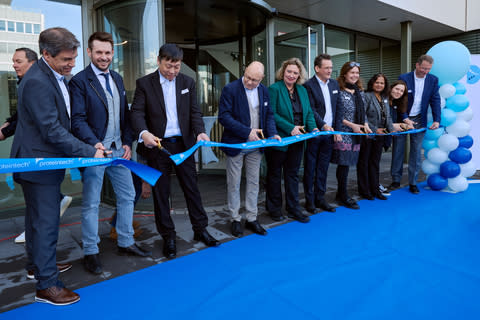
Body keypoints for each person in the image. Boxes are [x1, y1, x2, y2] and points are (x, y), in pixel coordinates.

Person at [10, 27, 105, 306]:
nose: (72, 64)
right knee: (46, 224)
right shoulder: (39, 81)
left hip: (41, 162)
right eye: (66, 59)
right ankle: (47, 285)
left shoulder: (48, 75)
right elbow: (52, 130)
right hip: (38, 165)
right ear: (46, 55)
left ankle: (38, 266)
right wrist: (89, 152)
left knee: (36, 221)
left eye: (74, 58)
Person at [70, 32, 152, 275]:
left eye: (108, 53)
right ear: (89, 52)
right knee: (92, 203)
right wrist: (94, 143)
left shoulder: (116, 78)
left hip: (118, 151)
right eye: (99, 53)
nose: (104, 57)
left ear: (112, 53)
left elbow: (124, 116)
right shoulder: (79, 81)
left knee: (128, 196)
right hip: (96, 152)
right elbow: (78, 119)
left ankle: (125, 242)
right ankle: (91, 251)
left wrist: (127, 142)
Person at [131, 43, 220, 259]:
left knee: (192, 188)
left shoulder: (187, 82)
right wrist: (144, 133)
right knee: (161, 193)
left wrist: (200, 132)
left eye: (176, 67)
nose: (172, 71)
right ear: (159, 61)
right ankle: (168, 236)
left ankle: (200, 229)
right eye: (168, 66)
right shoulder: (145, 83)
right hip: (158, 145)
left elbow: (194, 112)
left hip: (184, 145)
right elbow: (137, 113)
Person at [0, 48, 73, 245]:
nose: (14, 65)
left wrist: (5, 131)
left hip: (43, 159)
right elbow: (23, 115)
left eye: (18, 61)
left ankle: (40, 263)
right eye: (13, 61)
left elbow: (42, 120)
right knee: (37, 208)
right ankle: (38, 257)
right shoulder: (29, 82)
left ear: (32, 62)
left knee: (42, 217)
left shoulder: (36, 82)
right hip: (31, 160)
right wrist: (7, 125)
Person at [218, 61, 280, 237]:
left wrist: (272, 133)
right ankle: (235, 219)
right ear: (244, 72)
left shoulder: (264, 91)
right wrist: (246, 132)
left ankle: (252, 218)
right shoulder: (230, 89)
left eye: (254, 80)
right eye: (248, 77)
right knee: (234, 183)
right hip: (236, 143)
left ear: (262, 79)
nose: (250, 82)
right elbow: (224, 117)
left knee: (254, 182)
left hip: (256, 145)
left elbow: (268, 115)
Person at [265, 57, 318, 223]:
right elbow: (271, 113)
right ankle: (274, 208)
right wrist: (290, 128)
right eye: (289, 71)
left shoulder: (302, 90)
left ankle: (293, 208)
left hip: (298, 140)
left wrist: (314, 127)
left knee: (292, 174)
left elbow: (308, 112)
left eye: (295, 72)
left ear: (299, 74)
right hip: (279, 140)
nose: (292, 75)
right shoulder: (274, 89)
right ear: (283, 71)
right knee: (274, 175)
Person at [390, 55, 441, 194]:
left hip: (419, 119)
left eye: (428, 69)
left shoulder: (433, 80)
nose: (425, 71)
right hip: (402, 118)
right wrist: (405, 118)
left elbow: (435, 99)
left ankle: (413, 182)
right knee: (398, 149)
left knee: (416, 152)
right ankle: (395, 180)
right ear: (417, 65)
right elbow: (399, 100)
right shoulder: (404, 77)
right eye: (424, 68)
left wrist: (437, 119)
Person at [331, 61, 371, 210]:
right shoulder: (338, 90)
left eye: (357, 73)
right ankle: (343, 195)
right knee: (344, 164)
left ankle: (341, 193)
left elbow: (363, 113)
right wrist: (352, 125)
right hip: (343, 132)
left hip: (357, 133)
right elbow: (335, 114)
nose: (355, 75)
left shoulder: (359, 91)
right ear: (345, 73)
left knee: (349, 164)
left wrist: (365, 125)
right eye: (352, 72)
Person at [302, 54, 338, 213]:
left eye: (331, 67)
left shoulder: (334, 84)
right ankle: (309, 201)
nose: (330, 70)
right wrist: (323, 125)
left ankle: (320, 198)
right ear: (317, 68)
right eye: (327, 68)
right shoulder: (308, 85)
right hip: (315, 133)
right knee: (310, 168)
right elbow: (311, 109)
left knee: (323, 168)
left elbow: (338, 109)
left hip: (329, 135)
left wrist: (335, 129)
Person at [357, 73, 395, 201]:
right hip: (369, 134)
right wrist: (374, 129)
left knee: (374, 163)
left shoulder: (384, 97)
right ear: (372, 83)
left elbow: (388, 116)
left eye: (382, 83)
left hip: (381, 136)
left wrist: (391, 130)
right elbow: (363, 115)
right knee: (364, 163)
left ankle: (375, 189)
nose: (379, 85)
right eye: (377, 82)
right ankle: (364, 190)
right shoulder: (366, 96)